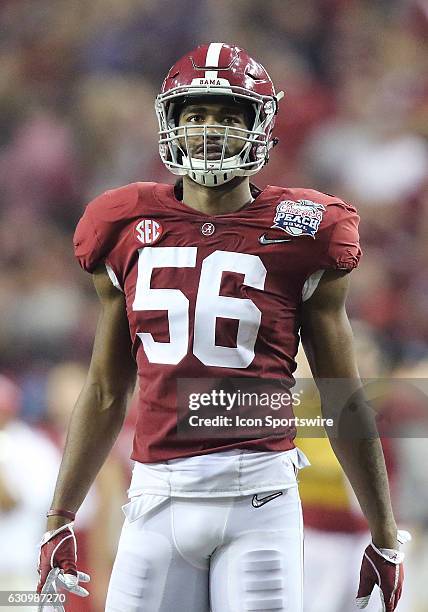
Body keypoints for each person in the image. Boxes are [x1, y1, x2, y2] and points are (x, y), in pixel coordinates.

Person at [37, 43, 408, 612]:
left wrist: (384, 535)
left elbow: (341, 398)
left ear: (260, 125)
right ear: (171, 124)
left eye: (229, 115)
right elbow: (108, 389)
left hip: (259, 497)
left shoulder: (306, 229)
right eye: (196, 115)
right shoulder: (123, 222)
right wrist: (60, 516)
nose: (211, 130)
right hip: (155, 498)